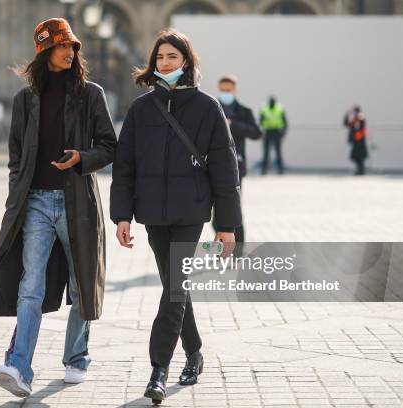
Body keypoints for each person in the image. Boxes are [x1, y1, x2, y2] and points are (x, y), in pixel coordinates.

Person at [0, 18, 116, 398]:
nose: (70, 52)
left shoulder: (91, 95)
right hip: (35, 202)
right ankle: (18, 366)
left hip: (76, 202)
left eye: (73, 47)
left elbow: (109, 146)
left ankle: (76, 358)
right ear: (44, 51)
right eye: (62, 46)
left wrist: (81, 158)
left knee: (81, 281)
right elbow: (16, 157)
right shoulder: (25, 99)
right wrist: (16, 198)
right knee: (30, 285)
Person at [110, 29, 242, 404]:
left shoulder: (207, 107)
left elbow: (225, 170)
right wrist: (122, 215)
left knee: (173, 287)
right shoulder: (140, 109)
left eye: (172, 57)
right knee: (175, 285)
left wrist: (227, 226)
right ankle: (195, 353)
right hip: (152, 212)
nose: (165, 63)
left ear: (186, 62)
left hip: (190, 211)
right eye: (160, 58)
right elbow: (125, 166)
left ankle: (158, 370)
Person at [213, 75, 262, 243]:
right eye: (222, 90)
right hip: (212, 166)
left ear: (234, 90)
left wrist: (233, 125)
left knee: (233, 210)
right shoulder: (212, 108)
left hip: (236, 166)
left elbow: (256, 133)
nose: (225, 93)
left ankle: (238, 250)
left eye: (228, 90)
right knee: (215, 215)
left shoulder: (244, 111)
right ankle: (222, 249)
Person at [260, 96, 288, 175]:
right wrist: (262, 133)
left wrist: (283, 133)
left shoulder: (279, 109)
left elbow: (285, 122)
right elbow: (261, 121)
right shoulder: (264, 109)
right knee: (266, 153)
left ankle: (280, 169)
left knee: (278, 152)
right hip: (267, 132)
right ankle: (264, 170)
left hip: (277, 132)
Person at [343, 105, 368, 175]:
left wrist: (357, 136)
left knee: (359, 157)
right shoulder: (354, 119)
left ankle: (361, 170)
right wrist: (347, 114)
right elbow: (346, 124)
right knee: (356, 157)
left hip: (359, 141)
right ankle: (359, 169)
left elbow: (361, 126)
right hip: (356, 141)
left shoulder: (360, 117)